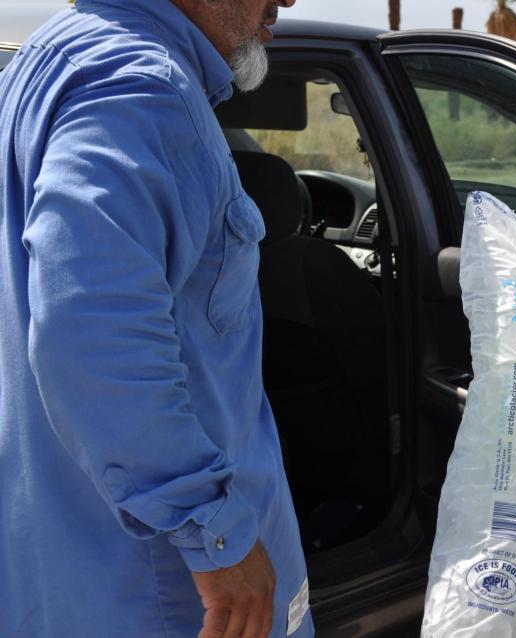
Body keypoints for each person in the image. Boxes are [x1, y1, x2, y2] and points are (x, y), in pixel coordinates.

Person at [0, 1, 312, 637]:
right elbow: (87, 331)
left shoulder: (50, 59)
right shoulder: (140, 90)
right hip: (165, 597)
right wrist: (213, 528)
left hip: (75, 569)